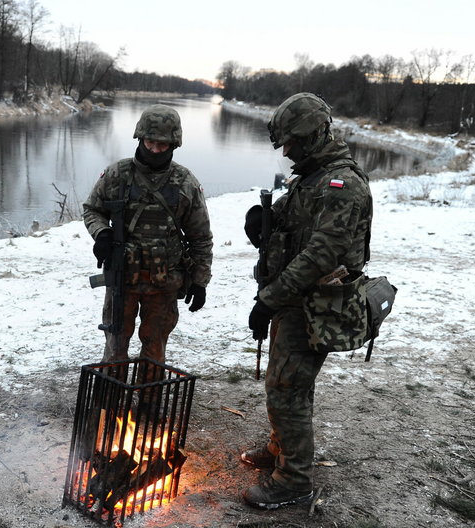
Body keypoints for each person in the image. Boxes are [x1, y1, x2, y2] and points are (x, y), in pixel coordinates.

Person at [241, 93, 373, 509]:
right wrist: (262, 220)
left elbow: (321, 255)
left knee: (288, 388)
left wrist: (268, 300)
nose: (286, 152)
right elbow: (292, 220)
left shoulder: (342, 184)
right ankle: (282, 449)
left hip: (316, 304)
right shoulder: (312, 176)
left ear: (313, 136)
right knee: (284, 382)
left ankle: (293, 480)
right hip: (294, 300)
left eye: (291, 144)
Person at [83, 104, 213, 373]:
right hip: (122, 280)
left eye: (162, 145)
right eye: (150, 142)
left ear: (174, 144)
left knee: (155, 349)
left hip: (164, 284)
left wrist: (200, 282)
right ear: (140, 137)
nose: (154, 149)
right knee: (115, 346)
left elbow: (200, 237)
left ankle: (149, 407)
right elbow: (93, 209)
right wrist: (102, 233)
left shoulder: (186, 183)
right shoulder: (117, 175)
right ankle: (111, 404)